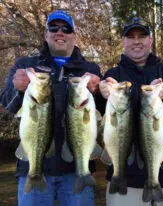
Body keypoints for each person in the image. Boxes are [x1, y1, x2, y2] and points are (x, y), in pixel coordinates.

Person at [0, 10, 104, 206]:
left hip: (76, 170)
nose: (60, 32)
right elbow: (8, 103)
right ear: (45, 34)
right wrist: (18, 89)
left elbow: (104, 113)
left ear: (74, 35)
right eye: (53, 28)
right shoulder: (26, 65)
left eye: (66, 28)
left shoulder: (90, 70)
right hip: (33, 165)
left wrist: (100, 92)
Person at [99, 16, 163, 206]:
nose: (136, 41)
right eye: (131, 36)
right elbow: (101, 111)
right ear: (124, 41)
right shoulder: (114, 74)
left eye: (142, 36)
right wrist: (101, 92)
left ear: (150, 40)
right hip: (125, 180)